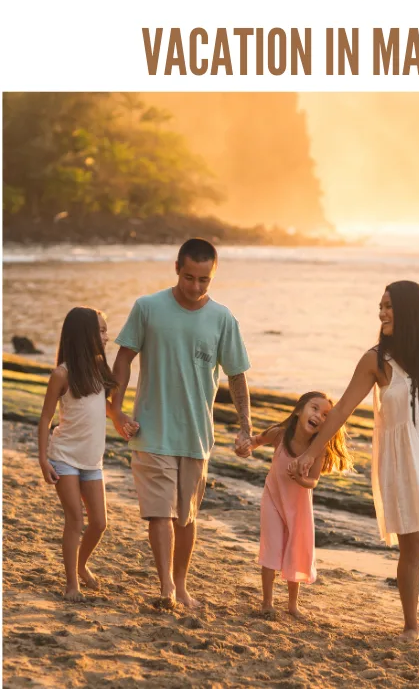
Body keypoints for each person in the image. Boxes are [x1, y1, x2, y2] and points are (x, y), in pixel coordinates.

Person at [290, 280, 419, 642]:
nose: (382, 313)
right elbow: (343, 408)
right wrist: (310, 453)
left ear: (410, 310)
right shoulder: (375, 360)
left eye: (389, 306)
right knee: (412, 549)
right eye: (381, 306)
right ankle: (411, 624)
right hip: (403, 463)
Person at [109, 238, 253, 610]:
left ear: (213, 275)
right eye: (189, 277)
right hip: (150, 429)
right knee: (160, 513)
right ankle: (166, 588)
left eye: (204, 280)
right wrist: (117, 409)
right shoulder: (147, 308)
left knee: (186, 518)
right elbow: (124, 358)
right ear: (176, 268)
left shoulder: (223, 318)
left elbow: (237, 376)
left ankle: (182, 583)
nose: (195, 287)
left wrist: (246, 427)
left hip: (195, 434)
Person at [239, 391, 352, 619]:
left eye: (326, 415)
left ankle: (292, 605)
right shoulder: (280, 435)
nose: (319, 416)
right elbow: (256, 441)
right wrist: (244, 447)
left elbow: (313, 481)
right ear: (299, 410)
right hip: (273, 499)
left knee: (295, 552)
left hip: (298, 510)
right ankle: (267, 602)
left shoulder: (317, 449)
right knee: (271, 548)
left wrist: (301, 479)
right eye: (314, 409)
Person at [38, 307, 116, 601]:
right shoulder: (62, 374)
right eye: (101, 331)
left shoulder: (99, 371)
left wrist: (122, 421)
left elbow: (102, 408)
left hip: (92, 461)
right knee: (75, 520)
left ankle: (82, 565)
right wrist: (43, 459)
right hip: (64, 458)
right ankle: (72, 584)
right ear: (85, 335)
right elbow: (46, 418)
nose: (107, 337)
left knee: (99, 522)